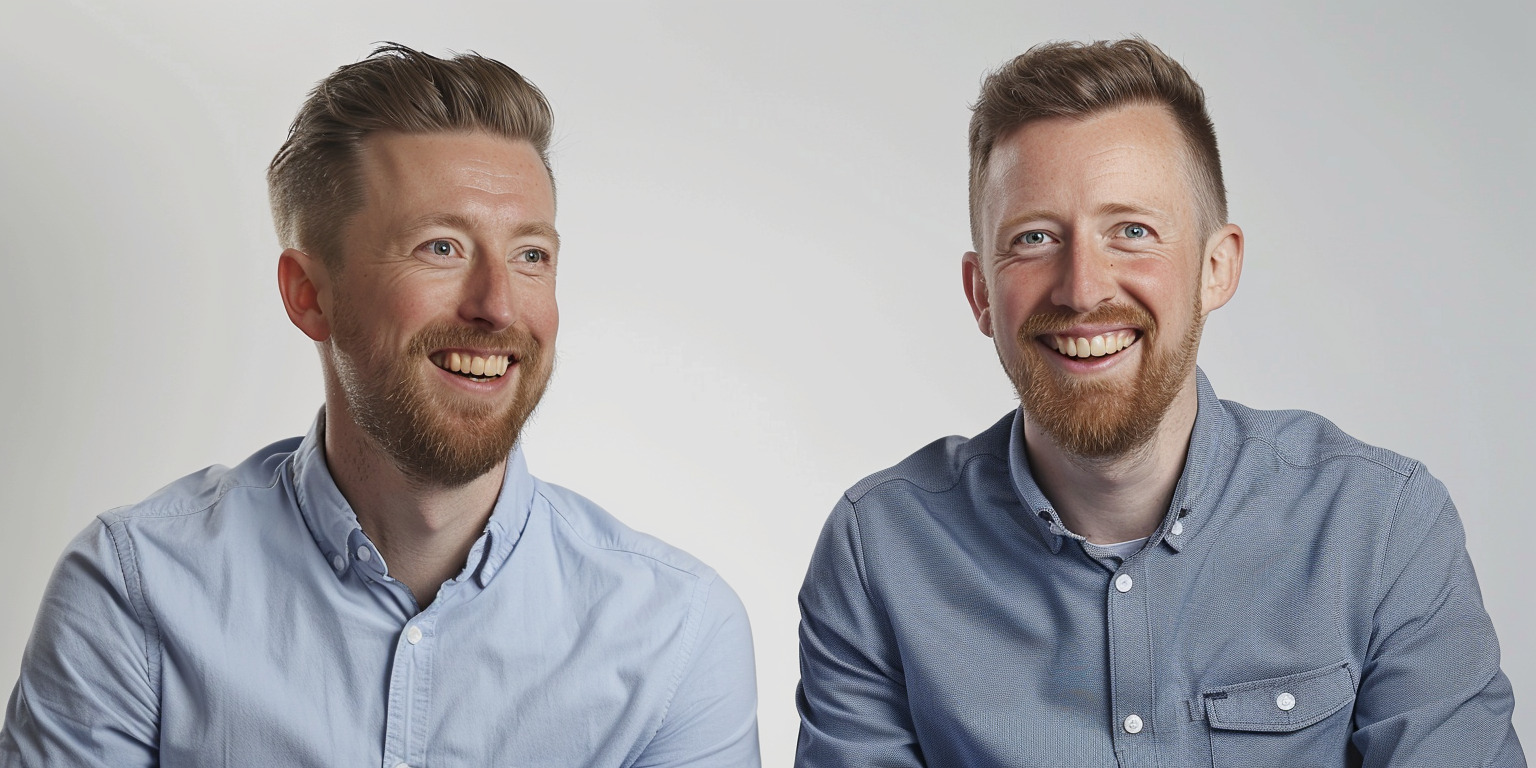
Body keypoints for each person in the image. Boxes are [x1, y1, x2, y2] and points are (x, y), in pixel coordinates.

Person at [1, 44, 759, 767]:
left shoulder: (678, 635)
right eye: (441, 247)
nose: (498, 306)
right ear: (309, 294)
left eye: (531, 255)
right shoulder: (136, 590)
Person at [795, 38, 1523, 768]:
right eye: (1035, 238)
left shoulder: (1382, 527)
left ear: (1216, 267)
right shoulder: (878, 556)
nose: (1083, 289)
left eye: (1132, 232)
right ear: (981, 292)